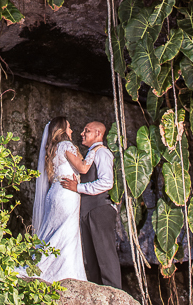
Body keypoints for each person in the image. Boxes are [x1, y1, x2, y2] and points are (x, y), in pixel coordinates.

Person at [61, 121, 122, 289]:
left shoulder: (102, 153)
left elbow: (106, 182)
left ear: (98, 134)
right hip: (88, 210)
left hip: (100, 209)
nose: (82, 133)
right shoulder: (90, 153)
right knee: (92, 256)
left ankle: (114, 294)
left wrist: (78, 187)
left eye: (86, 131)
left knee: (105, 254)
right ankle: (98, 294)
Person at [31, 117, 87, 281]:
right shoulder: (65, 145)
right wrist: (95, 152)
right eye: (69, 127)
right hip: (66, 193)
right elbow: (82, 168)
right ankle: (67, 274)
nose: (71, 131)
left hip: (54, 192)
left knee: (53, 232)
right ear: (62, 130)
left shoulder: (52, 149)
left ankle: (47, 267)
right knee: (67, 232)